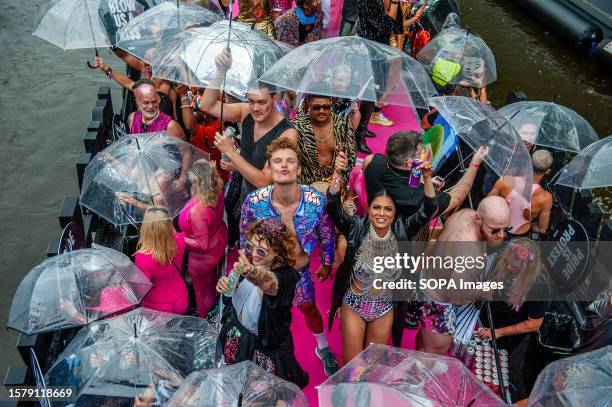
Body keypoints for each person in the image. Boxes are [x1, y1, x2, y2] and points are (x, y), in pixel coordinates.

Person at [240, 137, 339, 376]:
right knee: (263, 319)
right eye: (277, 161)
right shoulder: (254, 202)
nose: (284, 166)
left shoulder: (316, 201)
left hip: (299, 275)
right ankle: (259, 360)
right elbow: (244, 239)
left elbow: (326, 232)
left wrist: (327, 261)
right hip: (267, 275)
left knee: (309, 309)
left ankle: (323, 347)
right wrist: (246, 273)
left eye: (290, 161)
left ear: (299, 168)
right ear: (270, 168)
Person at [327, 149, 438, 362]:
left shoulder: (403, 229)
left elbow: (429, 208)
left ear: (395, 213)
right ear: (368, 209)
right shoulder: (355, 227)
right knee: (352, 364)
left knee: (372, 362)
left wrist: (427, 178)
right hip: (354, 304)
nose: (381, 213)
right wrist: (337, 173)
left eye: (388, 209)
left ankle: (363, 393)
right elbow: (333, 207)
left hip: (384, 307)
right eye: (376, 208)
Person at [200, 48, 298, 208]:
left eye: (262, 102)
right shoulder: (246, 112)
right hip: (244, 200)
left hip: (270, 209)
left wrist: (231, 153)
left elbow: (265, 181)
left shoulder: (287, 133)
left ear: (274, 100)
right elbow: (207, 105)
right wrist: (220, 71)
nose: (255, 108)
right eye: (251, 101)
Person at [216, 219, 308, 388]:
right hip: (237, 338)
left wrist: (251, 272)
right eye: (250, 247)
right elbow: (232, 298)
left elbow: (268, 283)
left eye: (262, 251)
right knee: (236, 386)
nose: (254, 253)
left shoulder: (285, 278)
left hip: (261, 351)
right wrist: (228, 284)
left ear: (277, 253)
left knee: (263, 396)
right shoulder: (247, 263)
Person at [476, 238, 547, 403]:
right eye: (507, 263)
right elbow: (498, 279)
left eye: (513, 267)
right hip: (491, 316)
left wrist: (498, 333)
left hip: (507, 332)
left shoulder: (539, 286)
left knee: (490, 367)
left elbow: (534, 323)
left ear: (525, 268)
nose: (508, 267)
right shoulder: (507, 258)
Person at [363, 131, 486, 217]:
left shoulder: (373, 161)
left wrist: (425, 181)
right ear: (409, 162)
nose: (423, 155)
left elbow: (394, 174)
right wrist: (474, 164)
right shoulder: (416, 196)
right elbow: (456, 197)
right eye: (420, 153)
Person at [178, 159, 228, 319]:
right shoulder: (218, 186)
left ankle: (205, 317)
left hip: (202, 259)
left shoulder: (197, 211)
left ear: (199, 183)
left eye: (193, 181)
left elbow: (202, 244)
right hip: (218, 240)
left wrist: (179, 238)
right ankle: (213, 304)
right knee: (211, 282)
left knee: (201, 292)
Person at [354, 0, 403, 150]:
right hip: (366, 49)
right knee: (362, 91)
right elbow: (385, 27)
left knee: (375, 91)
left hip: (382, 50)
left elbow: (398, 25)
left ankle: (362, 128)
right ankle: (356, 133)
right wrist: (394, 4)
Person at [292, 94, 356, 187]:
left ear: (331, 104)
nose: (321, 111)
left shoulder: (342, 124)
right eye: (316, 107)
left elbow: (351, 157)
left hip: (335, 181)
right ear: (309, 104)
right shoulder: (297, 127)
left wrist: (342, 181)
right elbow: (291, 162)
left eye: (326, 107)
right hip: (306, 185)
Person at [488, 149, 553, 238]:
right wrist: (530, 224)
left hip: (495, 229)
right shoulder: (546, 198)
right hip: (520, 234)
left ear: (529, 164)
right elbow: (542, 229)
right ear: (547, 171)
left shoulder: (505, 181)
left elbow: (487, 204)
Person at [134, 207, 188, 314]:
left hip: (156, 308)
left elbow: (142, 289)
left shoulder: (142, 257)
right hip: (181, 299)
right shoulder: (181, 240)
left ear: (145, 229)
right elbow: (175, 235)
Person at [95, 54, 176, 119]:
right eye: (145, 62)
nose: (146, 65)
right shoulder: (148, 72)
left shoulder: (163, 80)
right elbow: (128, 83)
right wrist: (106, 69)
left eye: (150, 63)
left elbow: (130, 84)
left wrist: (107, 70)